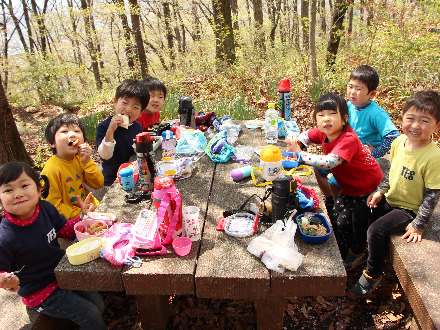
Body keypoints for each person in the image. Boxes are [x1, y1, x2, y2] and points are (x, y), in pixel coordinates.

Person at [347, 90, 440, 297]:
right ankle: (358, 250)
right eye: (410, 118)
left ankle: (373, 274)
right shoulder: (398, 142)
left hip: (409, 208)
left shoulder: (434, 157)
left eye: (424, 121)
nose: (415, 126)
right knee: (360, 213)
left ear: (437, 126)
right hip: (390, 198)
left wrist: (419, 224)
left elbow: (432, 195)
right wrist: (380, 191)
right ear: (402, 118)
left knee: (377, 231)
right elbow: (391, 171)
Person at [0, 162, 107, 329]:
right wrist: (5, 280)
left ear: (38, 189)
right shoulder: (6, 237)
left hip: (61, 274)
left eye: (24, 185)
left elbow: (64, 230)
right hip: (40, 292)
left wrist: (82, 218)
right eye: (8, 190)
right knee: (91, 315)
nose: (18, 194)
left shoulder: (45, 208)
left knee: (98, 303)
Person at [287, 93, 383, 258]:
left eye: (332, 114)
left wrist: (301, 155)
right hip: (349, 188)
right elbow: (308, 135)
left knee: (349, 222)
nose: (326, 119)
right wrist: (299, 143)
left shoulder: (348, 139)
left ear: (344, 119)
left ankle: (357, 252)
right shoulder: (324, 133)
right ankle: (341, 249)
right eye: (321, 115)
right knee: (335, 217)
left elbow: (329, 162)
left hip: (366, 189)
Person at [316, 65, 400, 212]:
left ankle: (341, 209)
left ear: (372, 94)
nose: (352, 92)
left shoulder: (376, 114)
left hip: (360, 162)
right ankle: (332, 203)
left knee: (334, 182)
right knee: (319, 169)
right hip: (343, 154)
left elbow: (393, 137)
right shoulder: (348, 106)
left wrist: (375, 152)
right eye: (350, 86)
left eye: (359, 88)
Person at [41, 113, 104, 220]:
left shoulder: (81, 158)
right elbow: (52, 206)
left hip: (90, 211)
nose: (72, 135)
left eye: (77, 131)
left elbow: (98, 184)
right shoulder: (51, 169)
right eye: (64, 131)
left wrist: (87, 161)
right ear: (52, 143)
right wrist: (81, 213)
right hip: (68, 222)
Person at [96, 79, 149, 186]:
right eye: (125, 103)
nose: (128, 109)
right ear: (115, 102)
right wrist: (110, 130)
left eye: (135, 107)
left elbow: (137, 150)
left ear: (140, 112)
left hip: (134, 174)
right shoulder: (104, 126)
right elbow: (105, 155)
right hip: (112, 179)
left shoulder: (137, 126)